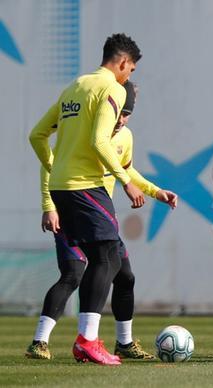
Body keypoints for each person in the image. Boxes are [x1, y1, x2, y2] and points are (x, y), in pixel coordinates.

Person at [25, 81, 178, 361]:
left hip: (100, 217)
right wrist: (49, 205)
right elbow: (54, 167)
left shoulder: (125, 137)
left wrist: (157, 191)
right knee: (73, 273)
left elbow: (128, 173)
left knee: (125, 277)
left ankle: (124, 343)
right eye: (119, 112)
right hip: (73, 210)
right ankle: (40, 342)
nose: (121, 120)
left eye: (127, 114)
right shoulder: (83, 134)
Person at [29, 33, 145, 365]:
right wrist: (126, 182)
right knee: (107, 258)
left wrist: (55, 165)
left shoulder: (75, 87)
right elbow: (99, 141)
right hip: (86, 186)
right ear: (122, 62)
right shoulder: (112, 88)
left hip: (62, 187)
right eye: (131, 69)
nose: (129, 77)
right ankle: (87, 341)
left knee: (110, 264)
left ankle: (98, 340)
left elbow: (37, 134)